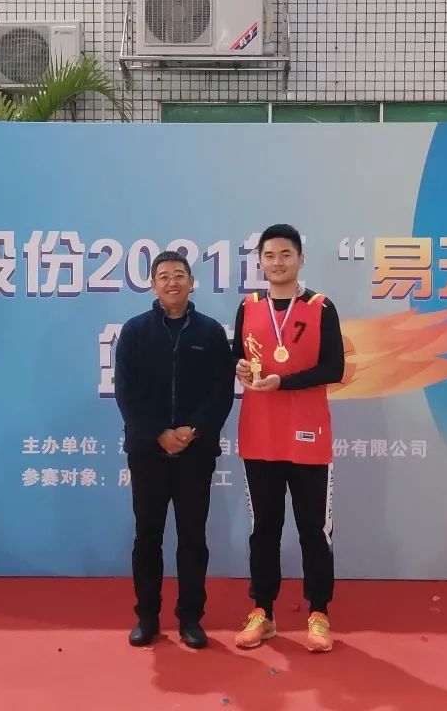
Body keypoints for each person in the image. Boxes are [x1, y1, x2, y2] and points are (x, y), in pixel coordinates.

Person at [232, 223, 344, 653]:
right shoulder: (248, 306)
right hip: (259, 434)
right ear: (260, 261)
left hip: (308, 436)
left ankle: (319, 612)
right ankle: (262, 611)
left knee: (314, 529)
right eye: (269, 255)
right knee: (264, 528)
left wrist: (284, 382)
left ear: (300, 258)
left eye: (285, 254)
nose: (277, 262)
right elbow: (237, 357)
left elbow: (333, 368)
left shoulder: (320, 307)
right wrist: (240, 368)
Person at [114, 250, 235, 648]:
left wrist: (193, 430)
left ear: (191, 282)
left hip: (195, 453)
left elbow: (221, 391)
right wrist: (157, 433)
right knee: (147, 536)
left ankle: (190, 619)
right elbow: (126, 393)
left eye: (179, 275)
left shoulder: (210, 333)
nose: (172, 282)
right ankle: (147, 617)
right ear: (152, 284)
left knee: (192, 538)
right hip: (147, 452)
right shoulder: (135, 331)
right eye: (163, 276)